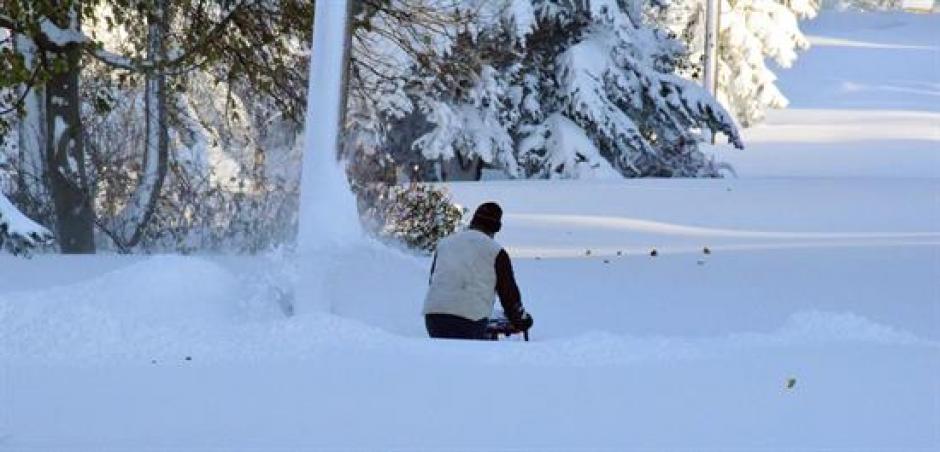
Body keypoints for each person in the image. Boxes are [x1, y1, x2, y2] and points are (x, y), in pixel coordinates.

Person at [422, 202, 534, 340]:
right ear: (496, 228)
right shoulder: (496, 252)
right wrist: (521, 321)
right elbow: (508, 294)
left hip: (433, 318)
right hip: (469, 321)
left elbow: (434, 281)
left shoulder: (444, 244)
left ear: (473, 221)